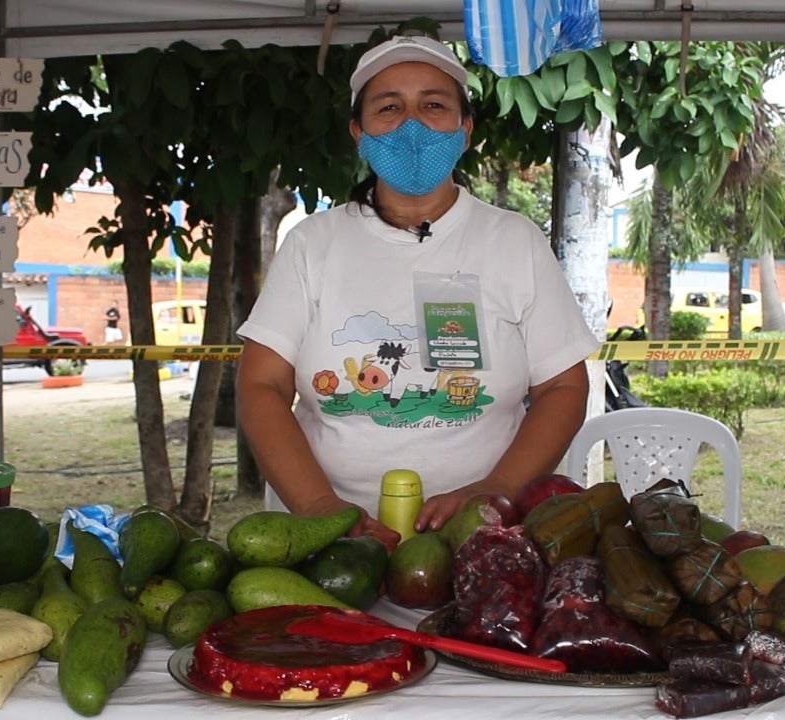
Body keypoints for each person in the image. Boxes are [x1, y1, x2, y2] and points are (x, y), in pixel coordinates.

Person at [235, 35, 599, 548]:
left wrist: (494, 492)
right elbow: (261, 387)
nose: (412, 125)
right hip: (332, 542)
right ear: (358, 132)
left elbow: (562, 389)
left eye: (433, 104)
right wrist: (321, 509)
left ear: (465, 128)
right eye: (389, 108)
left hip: (485, 537)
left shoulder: (514, 241)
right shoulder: (312, 244)